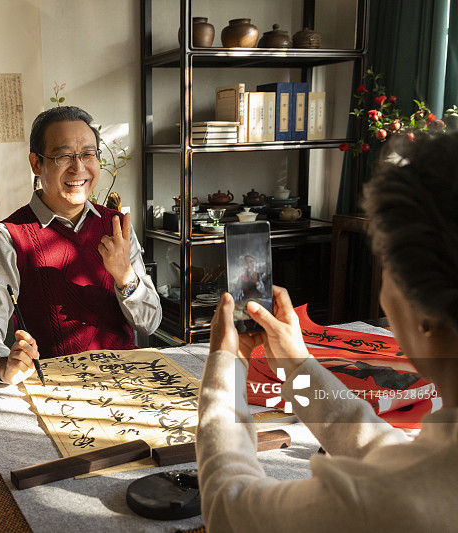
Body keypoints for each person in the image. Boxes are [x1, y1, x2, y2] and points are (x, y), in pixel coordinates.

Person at [196, 132, 458, 532]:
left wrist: (226, 365)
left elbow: (227, 509)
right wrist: (299, 366)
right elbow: (382, 451)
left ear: (419, 310)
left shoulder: (389, 497)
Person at [0, 106, 161, 384]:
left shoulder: (117, 227)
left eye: (88, 154)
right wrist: (1, 364)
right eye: (63, 155)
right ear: (36, 163)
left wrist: (125, 276)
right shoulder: (11, 235)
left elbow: (149, 322)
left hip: (127, 381)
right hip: (55, 387)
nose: (78, 167)